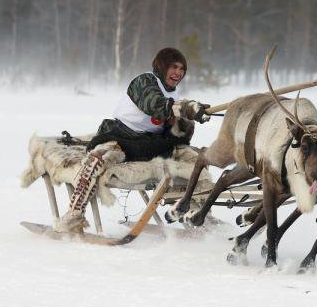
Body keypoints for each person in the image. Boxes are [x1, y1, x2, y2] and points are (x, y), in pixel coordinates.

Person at [56, 47, 210, 232]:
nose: (178, 73)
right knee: (98, 159)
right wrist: (185, 107)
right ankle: (74, 215)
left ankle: (200, 213)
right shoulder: (144, 81)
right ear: (162, 66)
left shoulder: (173, 93)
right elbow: (155, 105)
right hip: (121, 135)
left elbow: (170, 120)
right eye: (174, 67)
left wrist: (186, 121)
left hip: (148, 143)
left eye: (182, 69)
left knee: (197, 160)